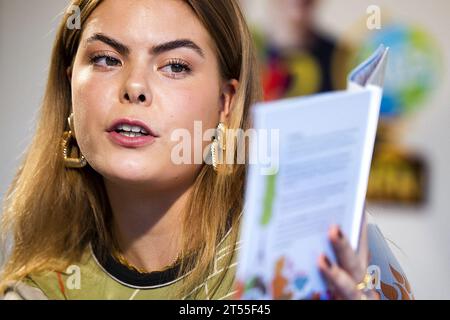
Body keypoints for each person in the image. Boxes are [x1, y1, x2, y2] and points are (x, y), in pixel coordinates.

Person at [0, 0, 411, 300]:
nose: (135, 87)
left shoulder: (323, 242)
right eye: (107, 59)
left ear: (225, 102)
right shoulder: (38, 293)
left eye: (175, 66)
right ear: (70, 84)